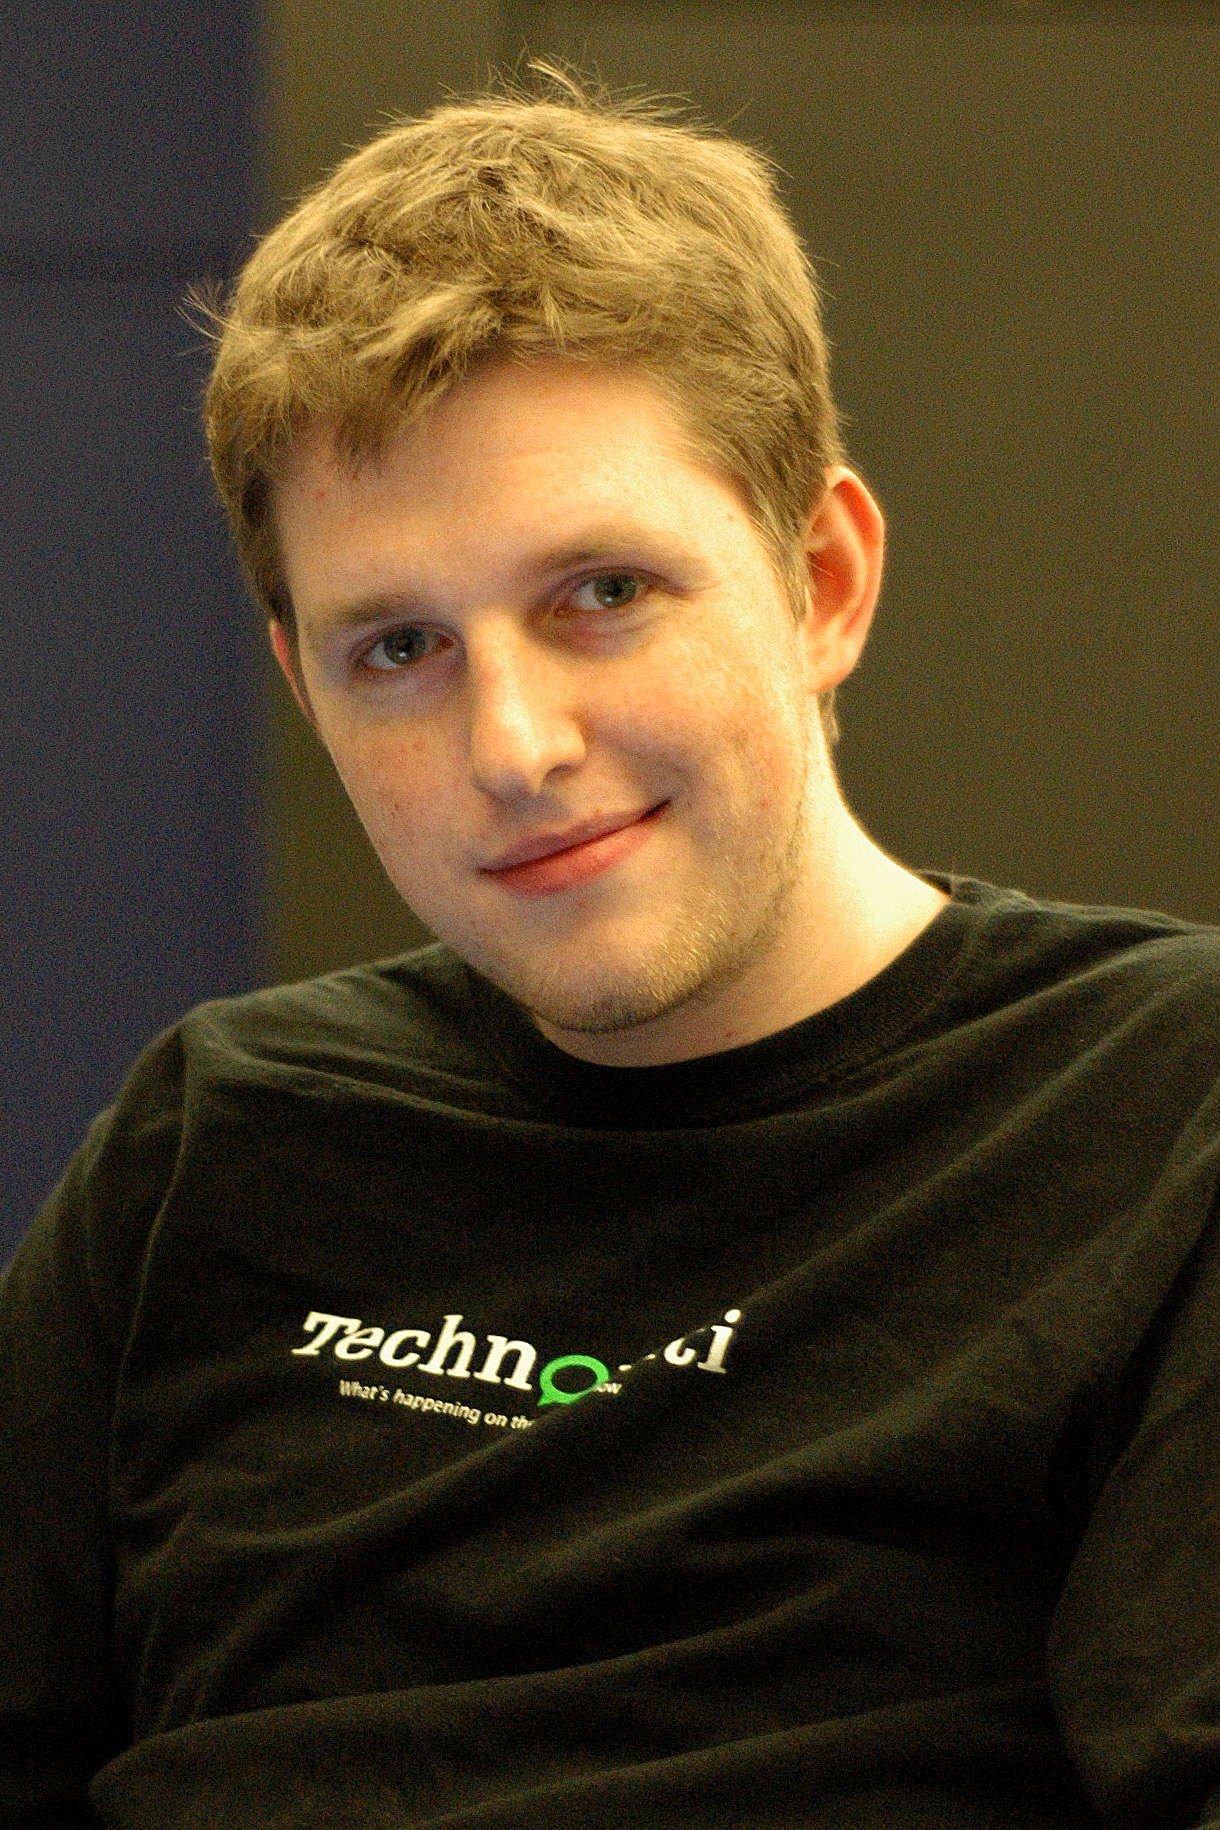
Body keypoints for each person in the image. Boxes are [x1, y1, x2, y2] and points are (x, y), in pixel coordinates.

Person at [4, 68, 1220, 1830]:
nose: (513, 743)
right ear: (303, 689)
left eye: (603, 592)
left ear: (822, 581)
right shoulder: (215, 1133)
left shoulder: (1164, 1114)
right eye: (399, 647)